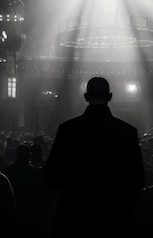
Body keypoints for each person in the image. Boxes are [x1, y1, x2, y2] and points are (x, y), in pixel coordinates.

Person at [42, 76, 145, 238]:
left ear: (86, 97)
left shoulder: (67, 129)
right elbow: (138, 180)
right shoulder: (127, 131)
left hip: (75, 218)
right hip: (116, 219)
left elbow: (50, 177)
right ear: (110, 97)